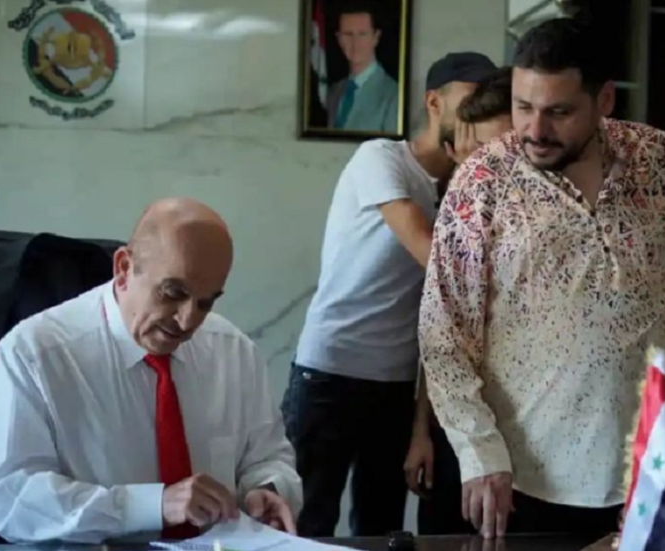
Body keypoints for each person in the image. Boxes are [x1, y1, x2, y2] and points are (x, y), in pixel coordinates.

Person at [419, 17, 665, 541]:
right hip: (527, 477)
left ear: (604, 101)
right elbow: (443, 334)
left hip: (662, 460)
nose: (535, 130)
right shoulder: (481, 183)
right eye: (523, 107)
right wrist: (478, 450)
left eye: (559, 112)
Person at [0, 198, 302, 543]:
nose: (188, 321)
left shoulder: (233, 350)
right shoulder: (36, 353)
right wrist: (152, 505)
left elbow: (269, 457)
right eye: (173, 293)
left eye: (205, 302)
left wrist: (266, 490)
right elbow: (12, 499)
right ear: (123, 269)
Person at [281, 52, 500, 537]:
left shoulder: (467, 186)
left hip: (397, 384)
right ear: (434, 103)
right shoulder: (381, 158)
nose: (481, 114)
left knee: (379, 529)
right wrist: (471, 174)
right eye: (472, 99)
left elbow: (447, 314)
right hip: (331, 371)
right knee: (305, 523)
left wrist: (422, 425)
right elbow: (435, 258)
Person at [403, 67, 514, 537]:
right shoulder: (459, 213)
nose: (492, 168)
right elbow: (441, 338)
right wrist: (422, 433)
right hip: (457, 430)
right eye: (480, 153)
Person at [327, 1, 398, 133]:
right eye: (348, 34)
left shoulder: (393, 95)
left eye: (362, 34)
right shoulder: (334, 92)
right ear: (338, 38)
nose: (355, 42)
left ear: (376, 37)